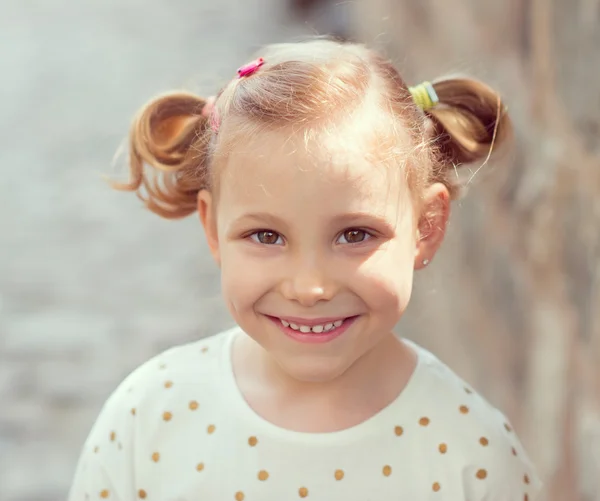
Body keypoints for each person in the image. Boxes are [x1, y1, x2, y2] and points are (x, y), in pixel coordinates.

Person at [68, 37, 542, 501]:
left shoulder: (475, 457)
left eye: (355, 234)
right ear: (213, 229)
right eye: (266, 236)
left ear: (426, 226)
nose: (310, 287)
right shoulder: (148, 418)